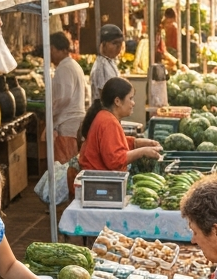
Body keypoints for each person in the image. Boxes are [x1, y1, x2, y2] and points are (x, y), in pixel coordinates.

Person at [79, 78, 163, 172]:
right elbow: (115, 161)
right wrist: (142, 152)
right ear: (117, 101)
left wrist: (137, 143)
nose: (133, 103)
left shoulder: (105, 116)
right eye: (130, 98)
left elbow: (111, 144)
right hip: (98, 182)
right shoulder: (108, 122)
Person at [49, 32, 88, 164]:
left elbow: (64, 97)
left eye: (52, 50)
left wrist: (52, 113)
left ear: (58, 49)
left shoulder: (64, 68)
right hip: (75, 122)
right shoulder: (74, 65)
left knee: (64, 165)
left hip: (67, 123)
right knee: (72, 162)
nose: (50, 54)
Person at [91, 24, 125, 98]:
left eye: (120, 44)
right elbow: (103, 93)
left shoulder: (111, 61)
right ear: (103, 45)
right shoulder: (101, 65)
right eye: (114, 43)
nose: (118, 47)